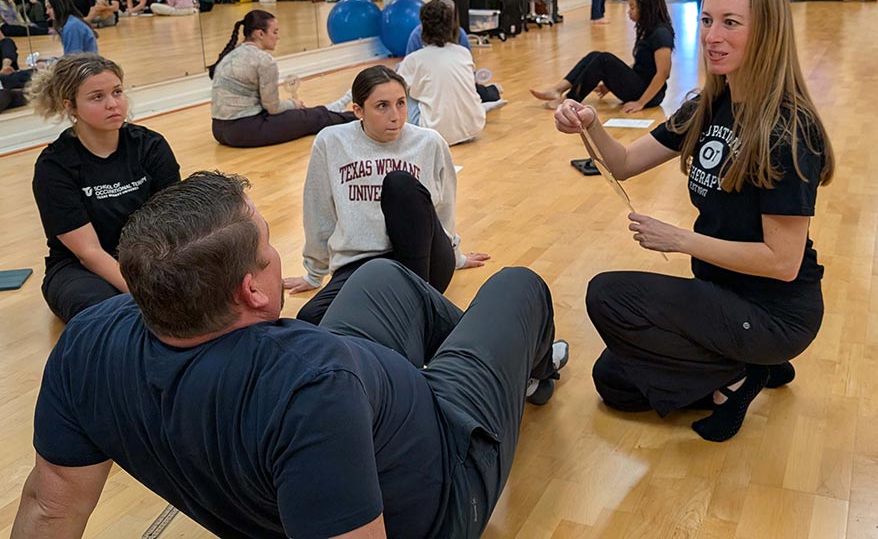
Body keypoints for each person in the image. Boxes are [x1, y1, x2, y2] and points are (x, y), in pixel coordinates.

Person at [11, 170, 569, 539]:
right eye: (267, 246)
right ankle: (531, 372)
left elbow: (50, 507)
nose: (276, 255)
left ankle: (480, 361)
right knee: (518, 285)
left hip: (369, 400)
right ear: (252, 292)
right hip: (445, 474)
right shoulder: (310, 385)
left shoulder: (88, 338)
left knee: (380, 275)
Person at [554, 0, 834, 442]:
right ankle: (748, 363)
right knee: (613, 380)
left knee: (606, 294)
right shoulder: (708, 104)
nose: (713, 37)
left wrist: (681, 239)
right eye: (707, 21)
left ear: (765, 30)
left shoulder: (789, 130)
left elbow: (783, 263)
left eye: (731, 23)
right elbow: (621, 163)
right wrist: (588, 122)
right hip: (721, 297)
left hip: (775, 313)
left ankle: (742, 374)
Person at [284, 65, 491, 324]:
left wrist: (455, 255)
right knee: (310, 319)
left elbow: (443, 207)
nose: (396, 116)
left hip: (423, 262)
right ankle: (408, 314)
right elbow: (318, 212)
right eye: (382, 106)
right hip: (361, 264)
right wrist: (313, 274)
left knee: (399, 185)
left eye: (401, 103)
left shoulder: (429, 142)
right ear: (358, 110)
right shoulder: (331, 142)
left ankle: (418, 306)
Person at [26, 53, 181, 322]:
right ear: (70, 106)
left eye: (117, 92)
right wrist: (149, 294)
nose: (113, 104)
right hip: (82, 268)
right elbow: (89, 253)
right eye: (97, 97)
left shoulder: (150, 146)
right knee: (110, 314)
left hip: (150, 256)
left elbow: (175, 224)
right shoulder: (54, 167)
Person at [209, 9, 356, 148]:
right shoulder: (264, 60)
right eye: (275, 32)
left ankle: (332, 109)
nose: (278, 36)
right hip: (243, 129)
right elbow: (273, 108)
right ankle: (357, 117)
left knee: (301, 114)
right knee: (308, 118)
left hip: (219, 130)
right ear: (260, 34)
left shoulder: (231, 55)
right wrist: (293, 104)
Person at [531, 0, 674, 113]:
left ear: (646, 9)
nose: (628, 12)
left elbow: (663, 73)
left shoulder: (661, 34)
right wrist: (612, 81)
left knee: (603, 59)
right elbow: (643, 66)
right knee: (595, 55)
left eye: (632, 8)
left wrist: (640, 103)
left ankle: (571, 99)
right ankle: (558, 89)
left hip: (649, 95)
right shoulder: (647, 29)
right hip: (639, 85)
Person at [396, 0, 488, 145]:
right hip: (473, 128)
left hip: (433, 133)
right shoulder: (463, 52)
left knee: (399, 86)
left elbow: (395, 92)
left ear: (423, 27)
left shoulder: (414, 59)